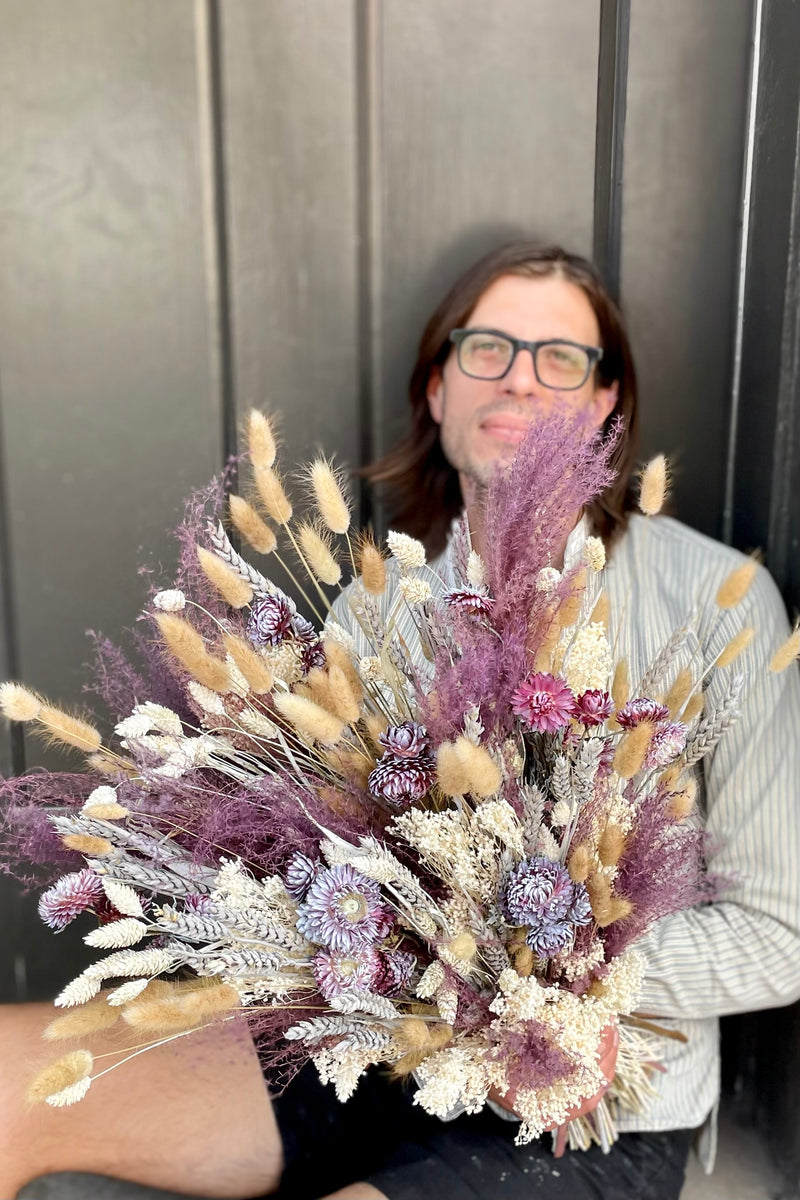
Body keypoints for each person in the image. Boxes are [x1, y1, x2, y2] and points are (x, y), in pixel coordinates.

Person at [2, 243, 799, 1200]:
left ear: (603, 405)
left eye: (561, 358)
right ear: (437, 387)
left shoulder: (718, 601)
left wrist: (522, 972)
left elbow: (778, 936)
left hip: (590, 1116)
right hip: (373, 1065)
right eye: (486, 348)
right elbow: (330, 860)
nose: (519, 379)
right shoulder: (376, 609)